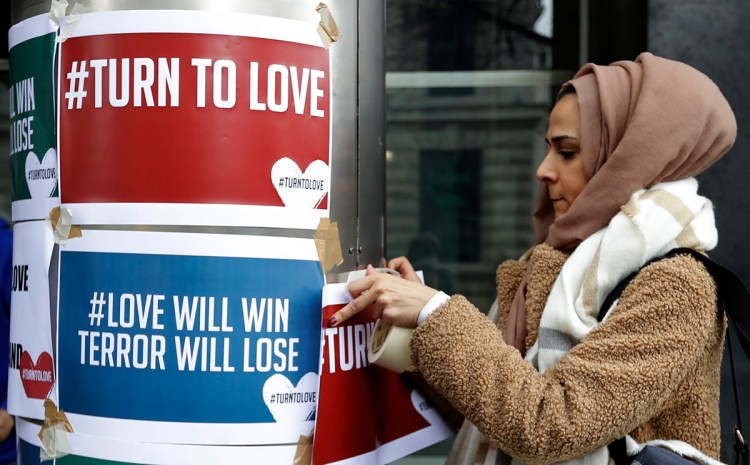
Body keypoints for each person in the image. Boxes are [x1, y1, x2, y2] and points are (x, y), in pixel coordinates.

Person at [329, 52, 737, 465]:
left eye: (567, 152)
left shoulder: (677, 285)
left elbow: (551, 425)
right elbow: (488, 418)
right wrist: (415, 331)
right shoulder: (548, 268)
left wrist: (435, 314)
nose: (543, 170)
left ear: (627, 159)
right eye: (549, 150)